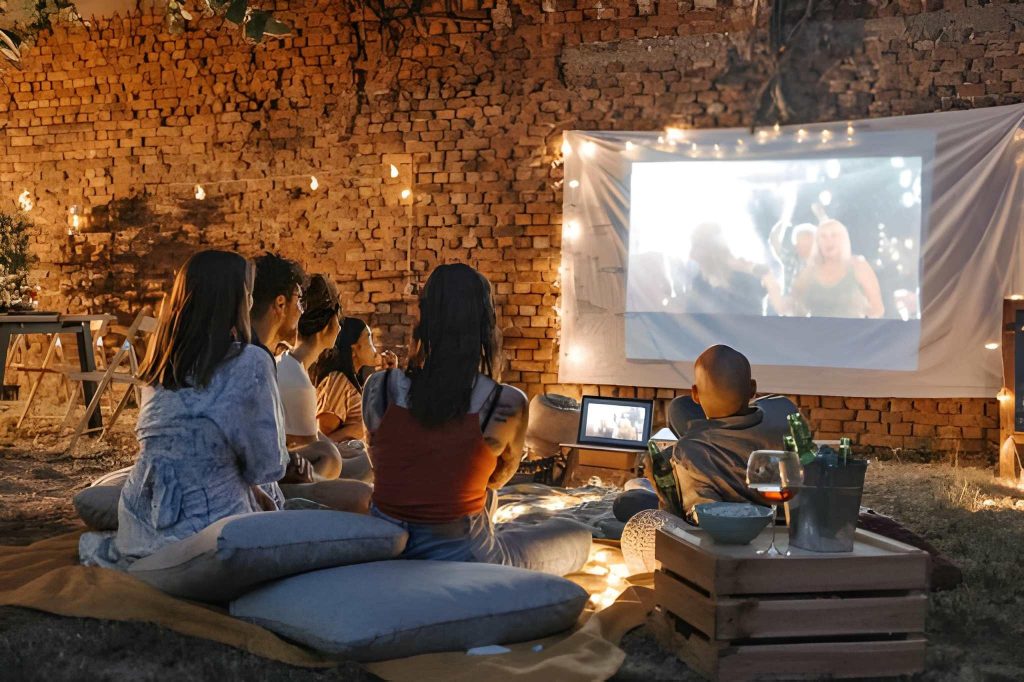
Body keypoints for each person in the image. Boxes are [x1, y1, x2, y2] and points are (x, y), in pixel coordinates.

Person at [363, 263, 591, 575]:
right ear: (484, 324)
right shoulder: (506, 402)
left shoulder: (379, 387)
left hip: (387, 544)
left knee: (484, 496)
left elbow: (381, 461)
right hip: (466, 558)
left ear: (424, 317)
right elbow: (497, 479)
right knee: (575, 533)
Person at [80, 250, 289, 568]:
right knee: (280, 496)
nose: (249, 303)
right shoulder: (250, 362)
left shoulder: (160, 365)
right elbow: (267, 467)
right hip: (206, 534)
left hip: (138, 528)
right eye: (246, 294)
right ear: (234, 300)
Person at [658, 344, 790, 522]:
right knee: (679, 406)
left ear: (696, 395)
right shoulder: (784, 410)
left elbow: (702, 513)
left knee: (632, 500)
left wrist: (665, 462)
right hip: (784, 511)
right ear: (752, 389)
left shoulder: (689, 451)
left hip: (744, 522)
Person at [276, 274, 348, 480]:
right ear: (326, 326)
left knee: (352, 452)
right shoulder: (298, 382)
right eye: (338, 320)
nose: (340, 328)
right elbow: (313, 447)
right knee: (346, 462)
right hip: (290, 476)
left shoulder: (285, 360)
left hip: (295, 459)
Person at [312, 316, 397, 443]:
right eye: (368, 339)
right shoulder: (338, 380)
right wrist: (364, 428)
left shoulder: (354, 380)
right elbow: (324, 438)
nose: (374, 349)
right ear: (354, 349)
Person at [789, 219, 885, 319]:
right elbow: (793, 305)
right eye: (823, 236)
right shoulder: (809, 272)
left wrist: (863, 310)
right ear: (817, 242)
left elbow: (878, 309)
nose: (828, 240)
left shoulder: (858, 266)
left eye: (834, 235)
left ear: (843, 239)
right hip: (816, 332)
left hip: (852, 332)